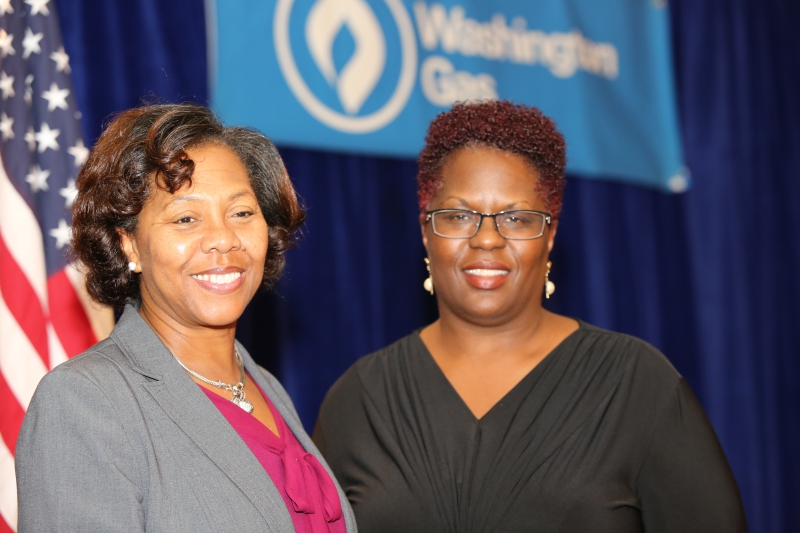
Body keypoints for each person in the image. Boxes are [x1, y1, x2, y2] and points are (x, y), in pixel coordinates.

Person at [313, 100, 747, 532]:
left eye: (517, 218)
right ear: (426, 230)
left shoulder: (636, 384)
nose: (487, 239)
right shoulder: (359, 399)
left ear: (550, 234)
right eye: (459, 216)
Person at [15, 103, 356, 533]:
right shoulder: (84, 401)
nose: (223, 239)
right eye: (186, 218)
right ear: (129, 245)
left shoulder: (264, 386)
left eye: (241, 213)